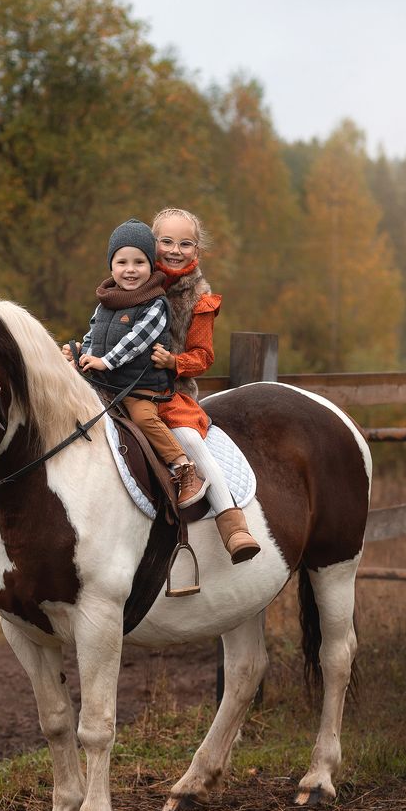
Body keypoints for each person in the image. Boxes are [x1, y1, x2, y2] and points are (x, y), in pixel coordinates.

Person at [63, 218, 208, 508]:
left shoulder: (155, 304)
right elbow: (93, 334)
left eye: (139, 262)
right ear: (111, 266)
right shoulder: (105, 301)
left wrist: (105, 362)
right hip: (105, 384)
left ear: (151, 266)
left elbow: (137, 341)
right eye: (122, 262)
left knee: (143, 417)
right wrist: (80, 357)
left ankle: (183, 467)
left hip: (138, 388)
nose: (130, 270)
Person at [150, 207, 261, 564]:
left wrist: (174, 362)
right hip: (126, 386)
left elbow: (203, 356)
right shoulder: (134, 276)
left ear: (196, 250)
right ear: (153, 244)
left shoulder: (200, 296)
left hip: (172, 391)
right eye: (166, 241)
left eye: (185, 243)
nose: (174, 250)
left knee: (190, 441)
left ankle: (232, 522)